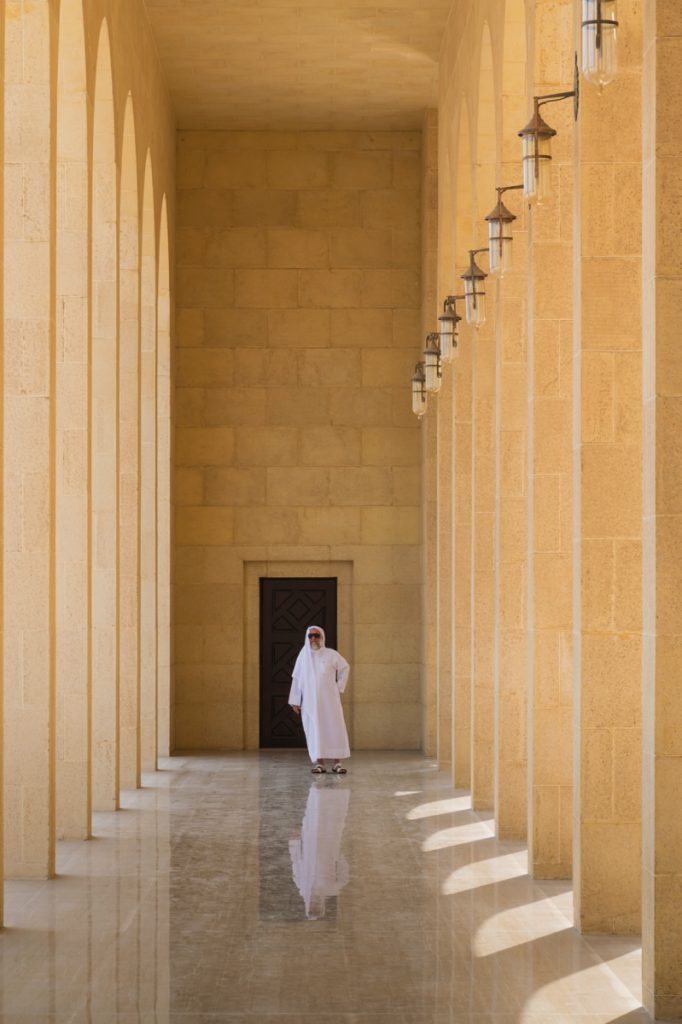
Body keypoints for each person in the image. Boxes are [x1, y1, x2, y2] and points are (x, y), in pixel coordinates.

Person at [289, 625, 350, 774]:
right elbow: (297, 679)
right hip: (310, 702)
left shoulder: (331, 654)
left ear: (322, 637)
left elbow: (345, 668)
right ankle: (319, 763)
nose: (313, 639)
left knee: (334, 728)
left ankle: (337, 763)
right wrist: (295, 700)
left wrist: (339, 686)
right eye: (310, 636)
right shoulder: (303, 656)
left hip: (330, 701)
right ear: (307, 638)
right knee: (315, 730)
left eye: (316, 635)